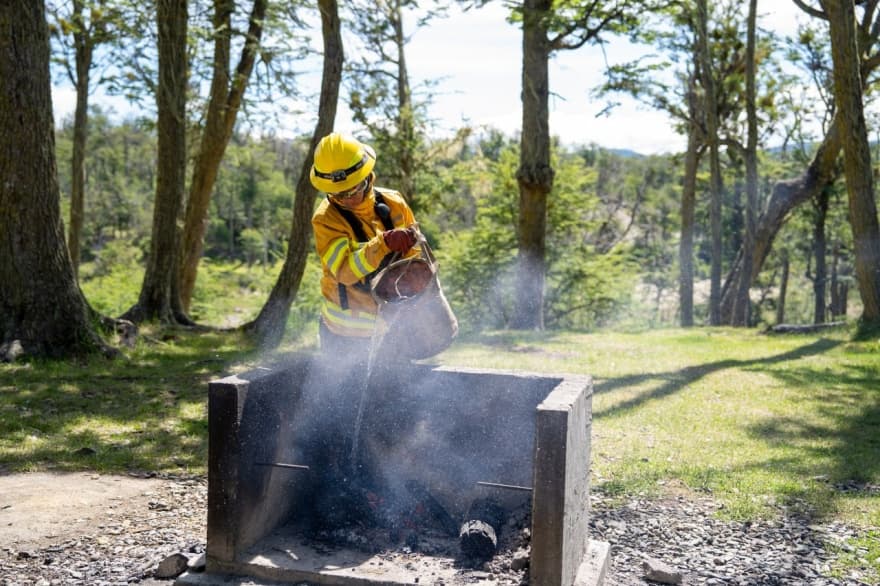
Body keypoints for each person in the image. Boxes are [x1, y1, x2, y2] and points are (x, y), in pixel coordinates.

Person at [309, 132, 420, 365]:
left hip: (393, 328)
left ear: (367, 176)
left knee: (396, 395)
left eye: (352, 190)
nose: (346, 199)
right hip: (344, 335)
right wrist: (383, 243)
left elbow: (416, 259)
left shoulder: (394, 203)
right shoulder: (326, 219)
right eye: (338, 194)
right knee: (343, 400)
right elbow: (345, 271)